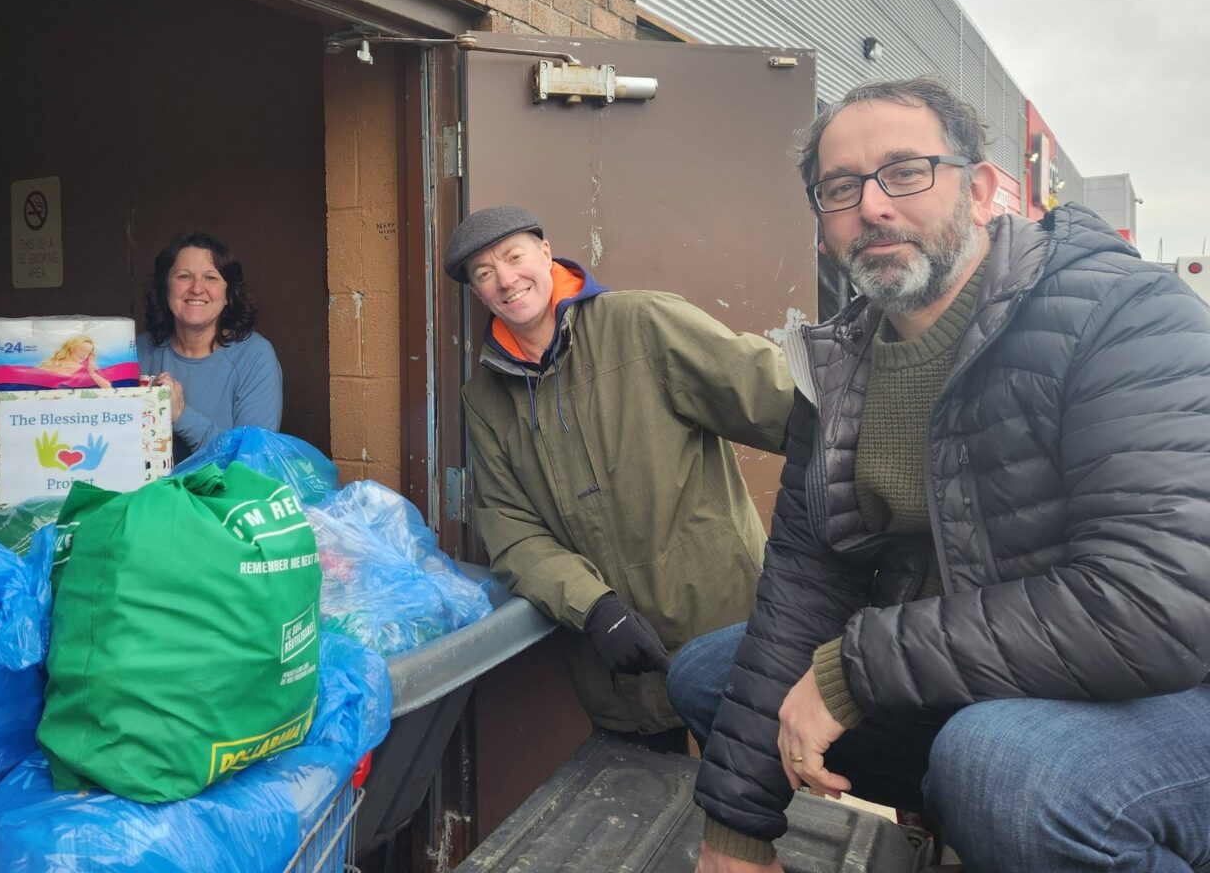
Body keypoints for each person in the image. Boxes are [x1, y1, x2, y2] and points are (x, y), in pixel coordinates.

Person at [670, 78, 1210, 873]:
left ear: (984, 189)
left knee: (1006, 773)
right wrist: (737, 837)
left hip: (1171, 687)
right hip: (996, 668)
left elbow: (1155, 606)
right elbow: (803, 585)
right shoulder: (838, 364)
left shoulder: (1123, 316)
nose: (874, 206)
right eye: (842, 187)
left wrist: (854, 668)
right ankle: (962, 822)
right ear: (824, 224)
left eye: (907, 171)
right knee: (711, 677)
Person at [445, 205, 795, 750]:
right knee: (645, 813)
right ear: (476, 292)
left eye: (514, 257)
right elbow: (511, 530)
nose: (506, 280)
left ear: (545, 252)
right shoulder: (485, 398)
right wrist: (593, 608)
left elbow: (773, 398)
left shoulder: (642, 323)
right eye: (484, 274)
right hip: (614, 657)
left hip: (725, 621)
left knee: (760, 793)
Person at [137, 232, 282, 461]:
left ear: (228, 295)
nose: (196, 289)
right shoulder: (139, 351)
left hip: (221, 495)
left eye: (211, 278)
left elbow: (252, 461)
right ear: (166, 288)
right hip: (149, 494)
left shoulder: (254, 356)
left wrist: (181, 416)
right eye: (184, 276)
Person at [36, 334, 113, 388]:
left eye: (88, 352)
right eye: (81, 349)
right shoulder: (53, 363)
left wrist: (91, 372)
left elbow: (107, 387)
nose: (84, 354)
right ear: (71, 347)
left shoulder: (89, 368)